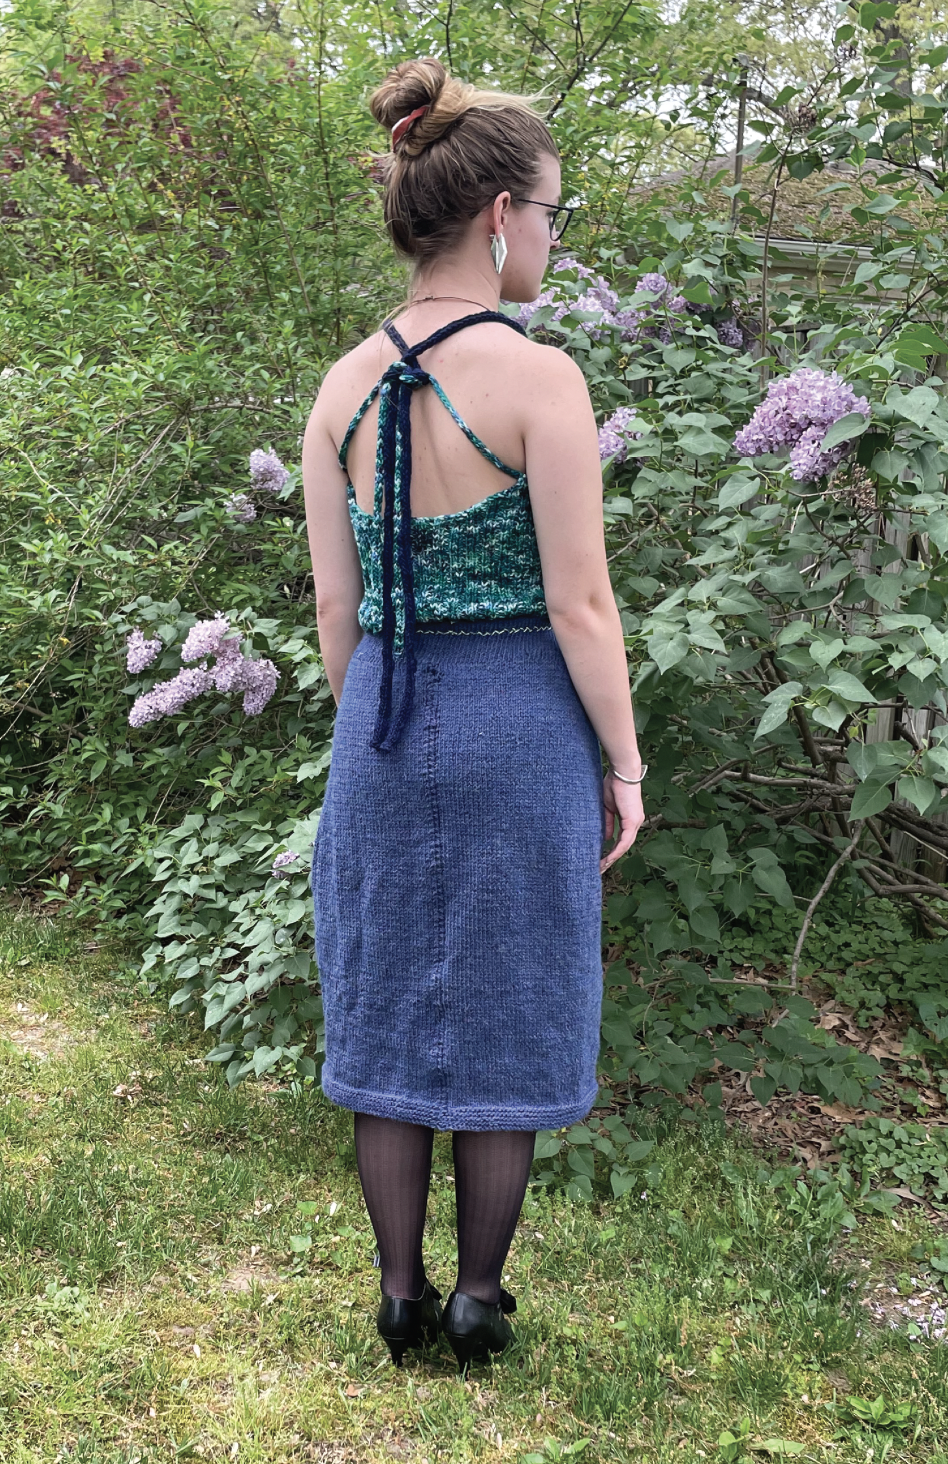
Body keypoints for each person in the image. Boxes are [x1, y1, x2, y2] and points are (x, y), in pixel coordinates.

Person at [301, 56, 645, 1373]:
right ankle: (477, 1300)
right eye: (552, 213)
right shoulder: (540, 378)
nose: (553, 236)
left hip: (381, 717)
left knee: (387, 987)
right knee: (515, 987)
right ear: (501, 215)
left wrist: (379, 734)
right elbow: (582, 605)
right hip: (520, 718)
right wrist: (625, 763)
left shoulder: (340, 386)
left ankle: (399, 1293)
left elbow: (337, 612)